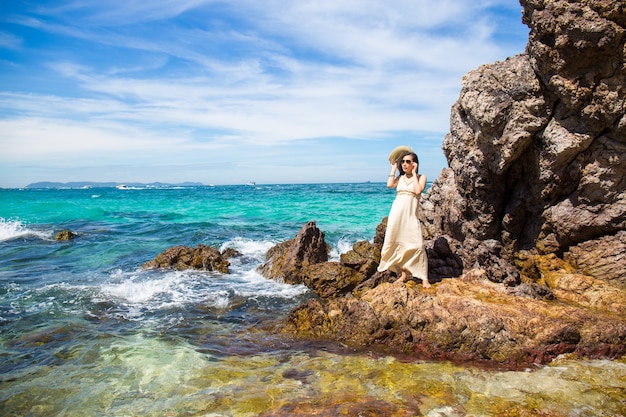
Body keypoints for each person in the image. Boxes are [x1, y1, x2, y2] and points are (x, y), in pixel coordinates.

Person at [377, 151, 430, 288]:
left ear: (414, 164)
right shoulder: (400, 178)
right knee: (393, 243)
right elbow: (389, 185)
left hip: (410, 215)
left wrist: (414, 174)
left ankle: (424, 278)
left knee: (417, 245)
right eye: (403, 162)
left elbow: (418, 191)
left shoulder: (421, 177)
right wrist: (393, 168)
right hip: (396, 214)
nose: (405, 164)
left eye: (408, 161)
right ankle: (403, 274)